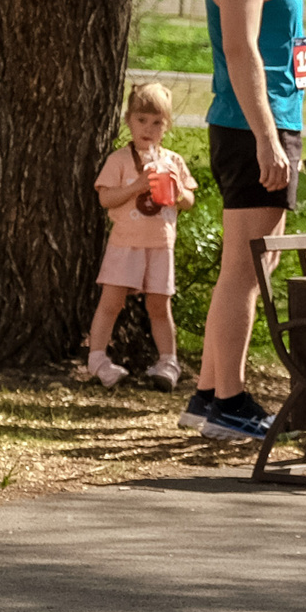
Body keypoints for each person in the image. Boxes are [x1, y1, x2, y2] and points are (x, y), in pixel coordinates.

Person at [178, 0, 306, 443]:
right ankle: (228, 401)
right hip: (252, 127)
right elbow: (241, 50)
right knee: (246, 270)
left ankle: (208, 392)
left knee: (256, 264)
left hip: (276, 124)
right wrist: (266, 137)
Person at [86, 82, 197, 390]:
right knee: (111, 303)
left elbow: (189, 200)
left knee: (159, 306)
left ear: (167, 126)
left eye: (157, 122)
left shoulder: (172, 161)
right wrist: (136, 186)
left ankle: (167, 362)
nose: (148, 128)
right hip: (125, 244)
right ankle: (97, 358)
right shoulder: (120, 160)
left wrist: (176, 191)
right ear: (128, 121)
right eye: (141, 120)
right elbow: (105, 199)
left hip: (161, 245)